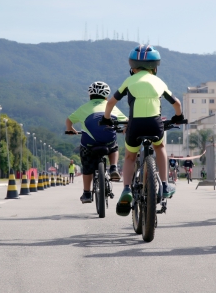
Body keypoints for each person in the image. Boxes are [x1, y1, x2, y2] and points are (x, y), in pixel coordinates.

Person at [101, 45, 183, 216]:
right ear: (155, 67)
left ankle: (126, 189)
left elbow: (110, 103)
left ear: (133, 67)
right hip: (155, 124)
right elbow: (177, 104)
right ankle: (165, 184)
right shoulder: (159, 82)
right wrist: (178, 117)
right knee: (160, 148)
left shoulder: (129, 81)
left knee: (130, 156)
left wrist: (106, 118)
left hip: (135, 125)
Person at [66, 81, 127, 203]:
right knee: (114, 146)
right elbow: (126, 121)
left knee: (87, 166)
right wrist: (124, 129)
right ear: (106, 96)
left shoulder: (84, 108)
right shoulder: (111, 107)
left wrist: (71, 130)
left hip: (89, 144)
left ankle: (87, 193)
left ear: (90, 95)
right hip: (108, 142)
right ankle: (113, 167)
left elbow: (69, 120)